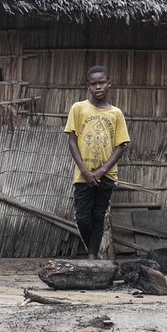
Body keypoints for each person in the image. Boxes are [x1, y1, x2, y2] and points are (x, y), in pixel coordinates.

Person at [64, 65, 131, 259]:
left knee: (98, 217)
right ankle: (92, 251)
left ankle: (92, 256)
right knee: (83, 218)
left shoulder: (116, 113)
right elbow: (72, 141)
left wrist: (101, 171)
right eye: (94, 84)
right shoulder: (78, 108)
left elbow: (121, 146)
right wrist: (85, 171)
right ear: (88, 87)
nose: (98, 87)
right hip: (83, 175)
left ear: (109, 83)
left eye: (102, 82)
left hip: (106, 176)